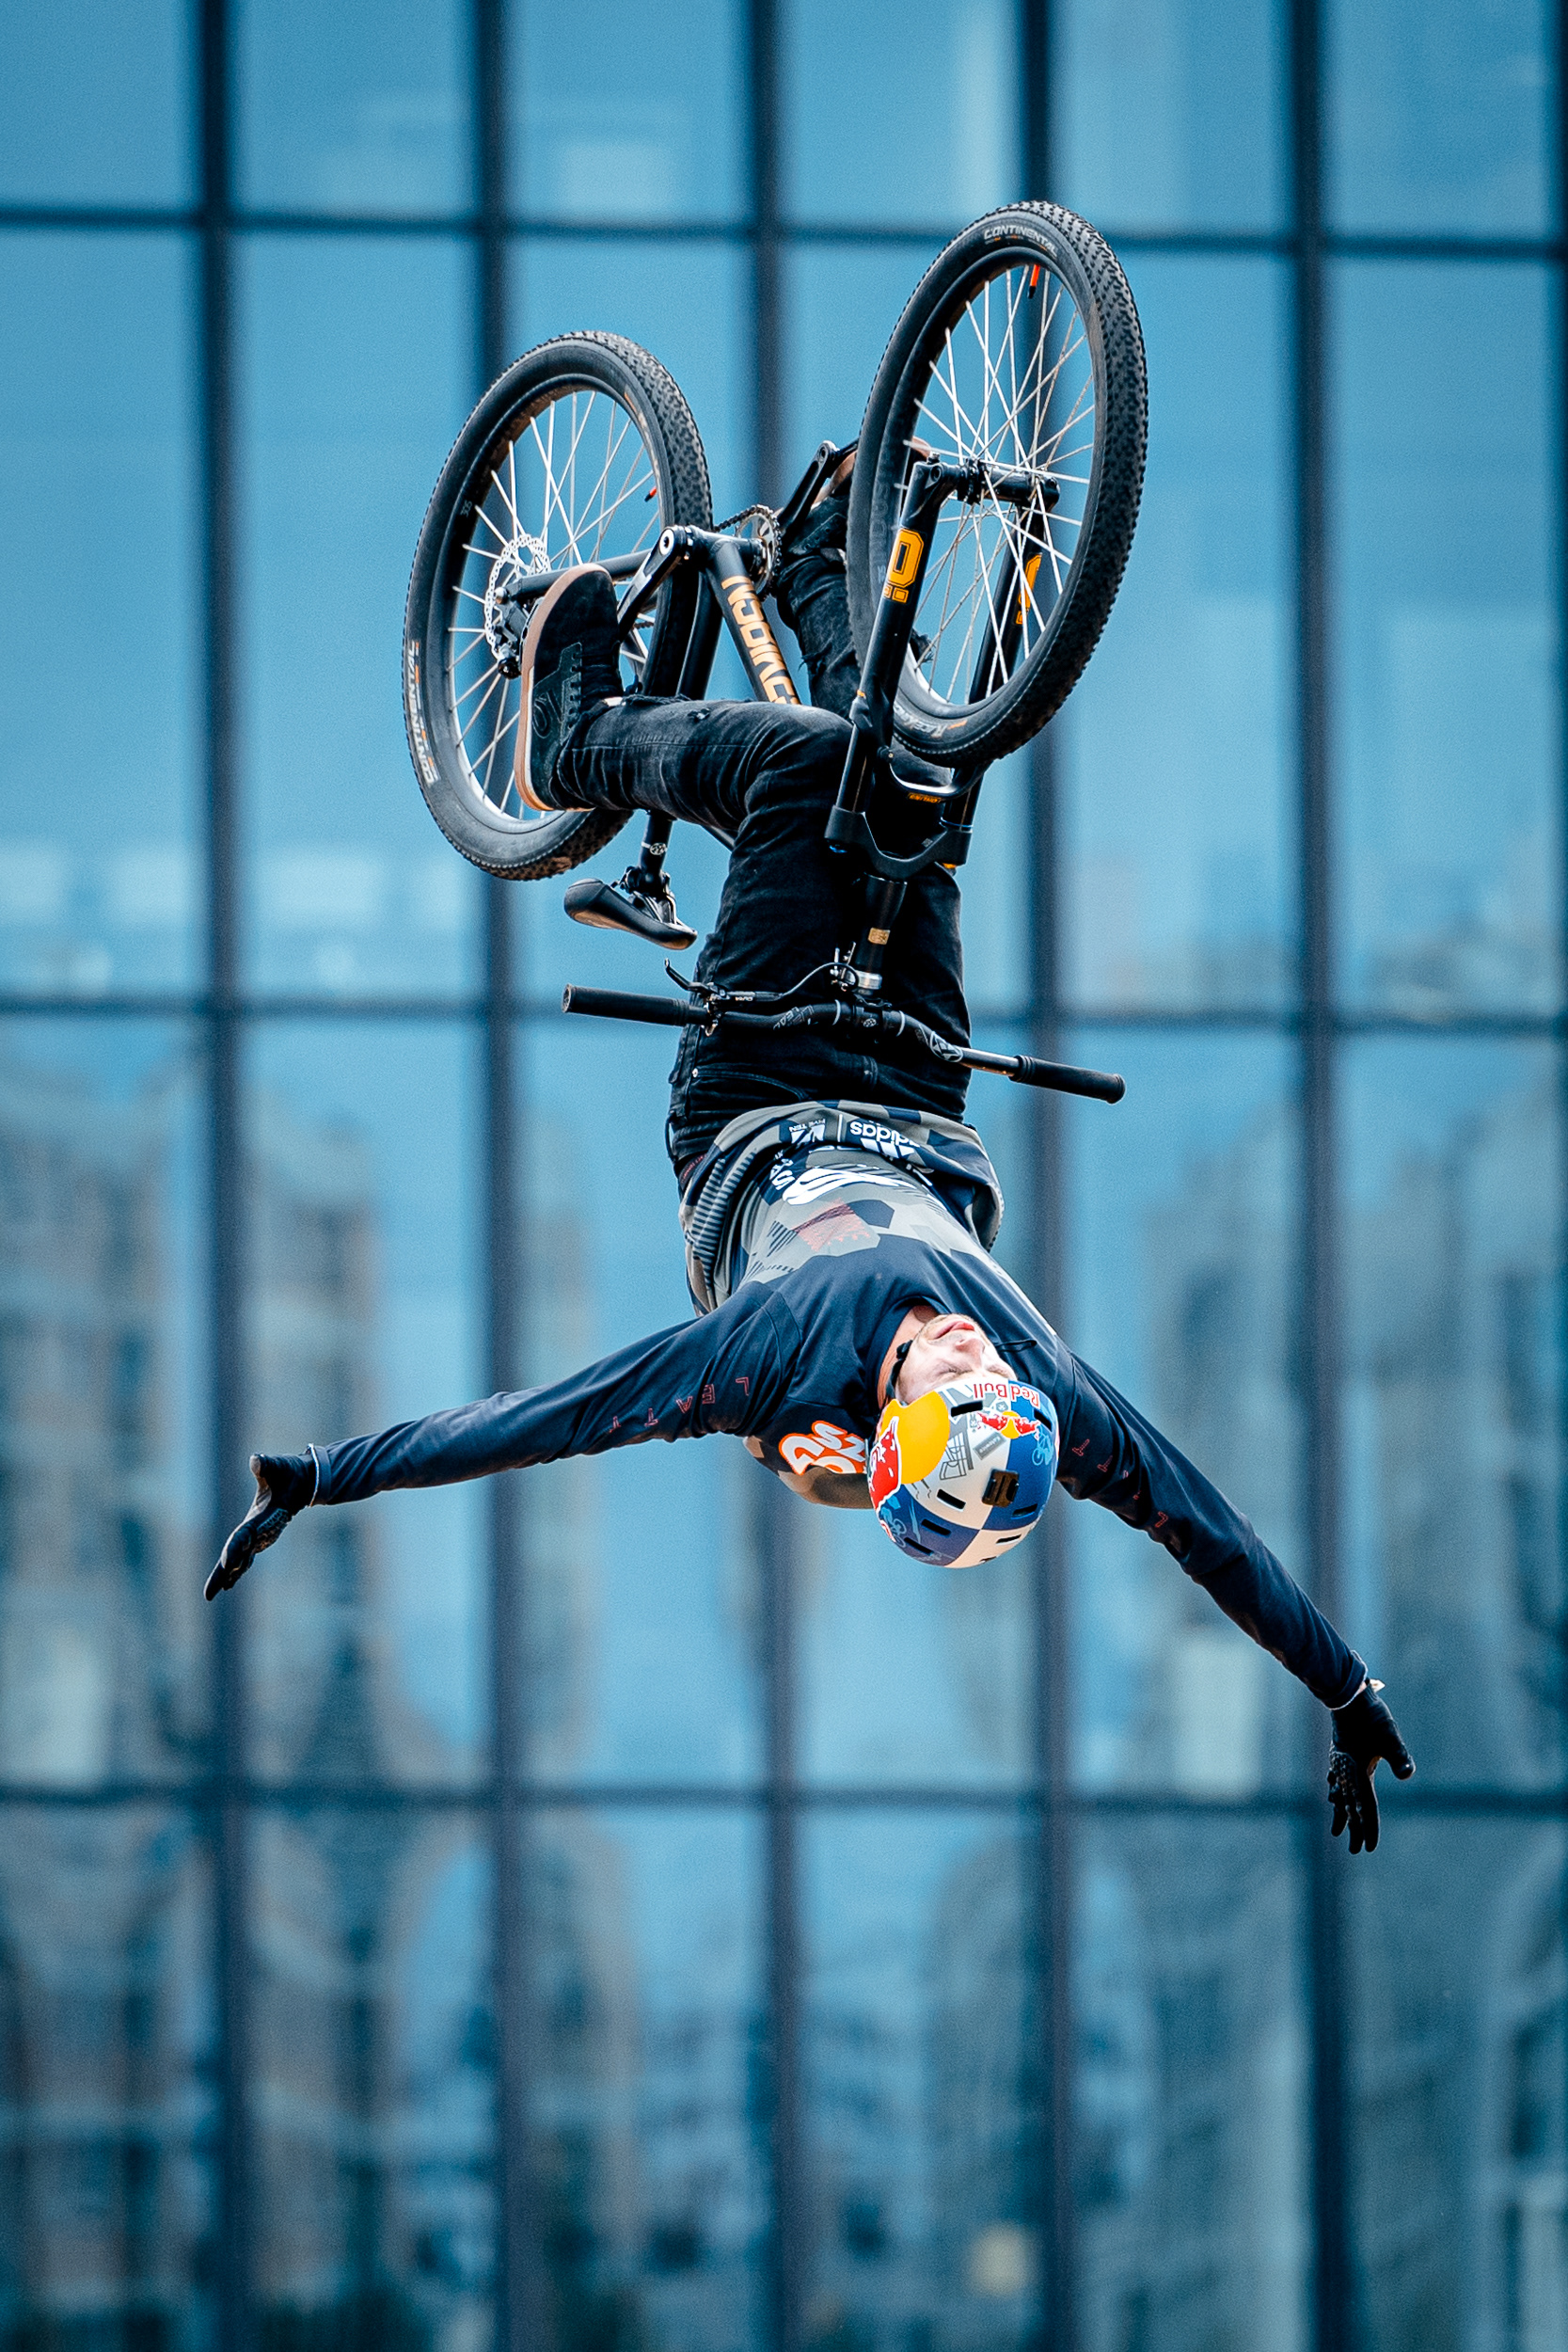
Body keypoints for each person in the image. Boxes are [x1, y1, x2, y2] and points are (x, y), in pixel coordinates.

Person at [209, 478, 1415, 1854]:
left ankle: (579, 736)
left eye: (959, 1381)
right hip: (914, 1076)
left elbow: (548, 1418)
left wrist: (325, 1476)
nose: (979, 1352)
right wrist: (1343, 1687)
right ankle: (806, 579)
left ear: (898, 1422)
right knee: (920, 788)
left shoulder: (776, 1352)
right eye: (1000, 1383)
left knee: (796, 772)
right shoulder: (1044, 1389)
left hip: (760, 1081)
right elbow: (1206, 1529)